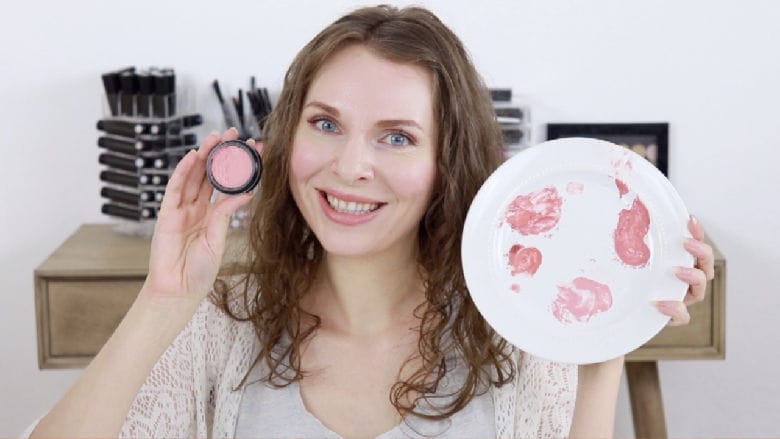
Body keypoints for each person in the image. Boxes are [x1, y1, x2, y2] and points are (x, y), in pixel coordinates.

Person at [27, 5, 715, 438]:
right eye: (326, 123)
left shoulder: (517, 337)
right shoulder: (217, 333)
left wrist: (603, 352)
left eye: (396, 137)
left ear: (447, 161)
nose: (351, 165)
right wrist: (163, 300)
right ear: (286, 136)